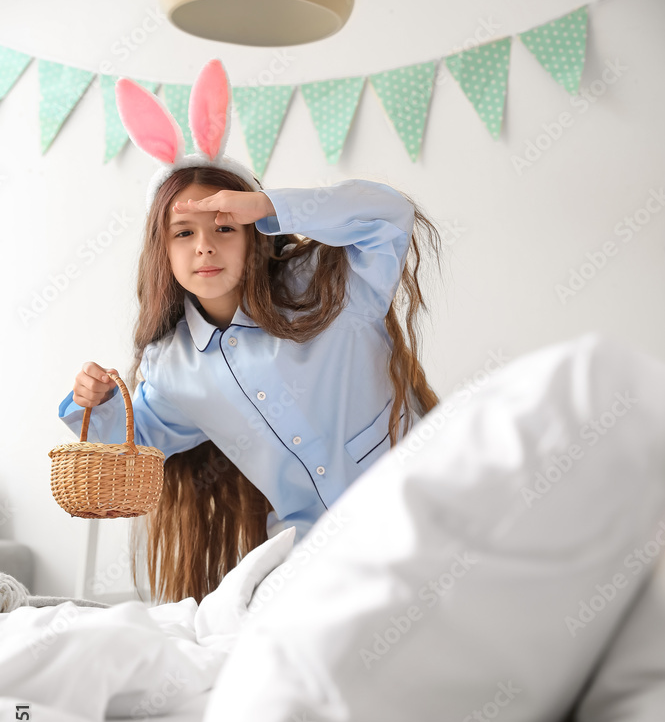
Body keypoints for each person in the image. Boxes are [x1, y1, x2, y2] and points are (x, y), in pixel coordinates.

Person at [58, 59, 444, 605]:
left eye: (224, 228)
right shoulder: (173, 365)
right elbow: (135, 440)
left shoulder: (329, 284)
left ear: (254, 234)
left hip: (425, 510)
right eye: (183, 233)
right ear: (162, 253)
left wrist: (268, 205)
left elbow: (390, 215)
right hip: (315, 558)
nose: (204, 247)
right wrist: (90, 401)